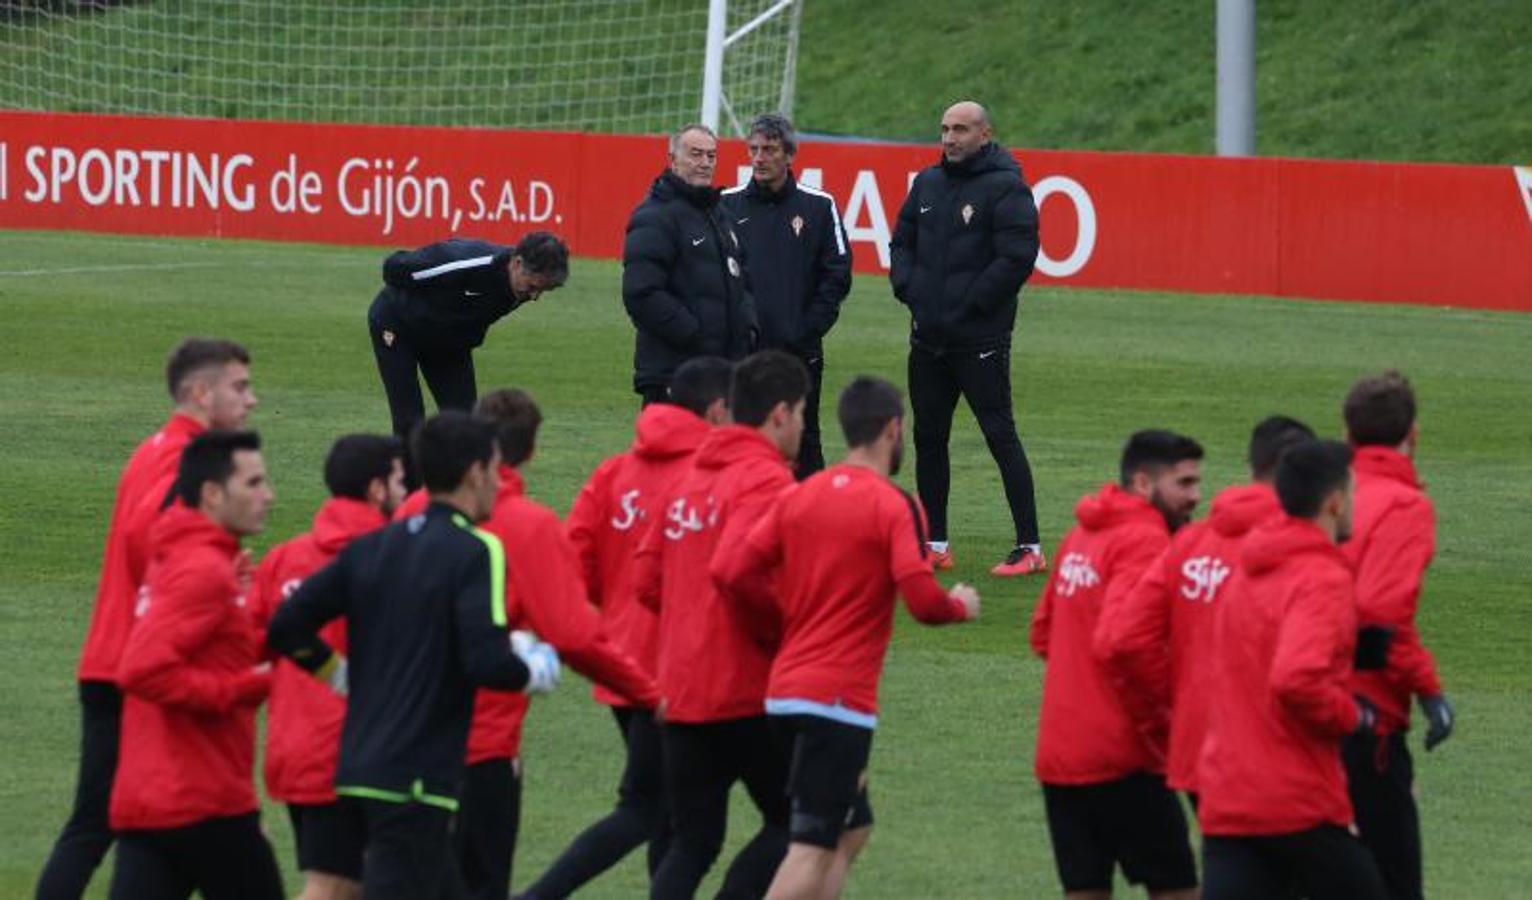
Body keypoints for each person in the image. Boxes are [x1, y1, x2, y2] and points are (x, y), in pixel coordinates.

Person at [267, 411, 560, 900]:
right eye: (493, 470)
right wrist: (533, 669)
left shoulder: (376, 546)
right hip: (415, 778)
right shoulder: (476, 548)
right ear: (474, 474)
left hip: (358, 767)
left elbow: (286, 625)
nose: (498, 483)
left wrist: (339, 676)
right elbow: (485, 661)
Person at [713, 375, 981, 900]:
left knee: (850, 829)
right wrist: (959, 606)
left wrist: (783, 619)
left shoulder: (803, 492)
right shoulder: (894, 504)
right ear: (893, 429)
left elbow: (734, 569)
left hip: (786, 692)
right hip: (836, 702)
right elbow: (923, 602)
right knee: (810, 844)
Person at [412, 390, 659, 900]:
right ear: (526, 452)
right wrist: (649, 693)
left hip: (401, 738)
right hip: (481, 746)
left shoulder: (411, 513)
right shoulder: (528, 526)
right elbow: (574, 636)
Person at [39, 337, 256, 900]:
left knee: (117, 828)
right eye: (240, 387)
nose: (251, 401)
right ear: (201, 393)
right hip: (136, 667)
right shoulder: (183, 461)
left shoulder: (155, 448)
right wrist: (208, 565)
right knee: (115, 827)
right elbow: (150, 536)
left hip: (117, 656)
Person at [519, 357, 734, 900]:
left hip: (619, 660)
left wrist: (617, 615)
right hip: (674, 673)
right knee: (648, 809)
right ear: (715, 409)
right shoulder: (710, 479)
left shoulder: (615, 471)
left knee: (667, 811)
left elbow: (577, 568)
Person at [638, 350, 808, 899]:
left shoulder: (688, 480)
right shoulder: (768, 484)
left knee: (692, 843)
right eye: (803, 413)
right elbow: (739, 575)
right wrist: (777, 627)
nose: (804, 427)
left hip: (681, 687)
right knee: (799, 824)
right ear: (779, 414)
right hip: (744, 688)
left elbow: (645, 582)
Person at [1197, 440, 1387, 900]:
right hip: (1294, 800)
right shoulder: (1321, 577)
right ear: (1334, 501)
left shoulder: (1247, 570)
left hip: (1228, 793)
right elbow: (1296, 678)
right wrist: (1354, 717)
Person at [1096, 416, 1314, 802]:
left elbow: (1122, 638)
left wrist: (1177, 704)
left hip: (1195, 747)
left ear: (1252, 469)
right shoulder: (1302, 552)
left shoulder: (1190, 541)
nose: (1196, 495)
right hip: (1271, 755)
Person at [107, 430, 284, 900]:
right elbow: (141, 668)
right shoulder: (202, 571)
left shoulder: (181, 558)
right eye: (254, 484)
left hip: (149, 798)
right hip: (203, 797)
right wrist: (241, 688)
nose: (269, 496)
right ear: (211, 493)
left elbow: (200, 643)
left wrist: (243, 613)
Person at [1030, 430, 1203, 900]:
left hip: (1060, 755)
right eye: (1184, 484)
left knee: (1085, 889)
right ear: (1144, 483)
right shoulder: (1147, 542)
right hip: (1124, 755)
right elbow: (1125, 644)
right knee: (1178, 889)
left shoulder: (1082, 533)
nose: (1196, 497)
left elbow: (1043, 634)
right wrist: (1164, 721)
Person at [246, 434, 406, 900]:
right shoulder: (394, 558)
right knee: (333, 886)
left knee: (348, 885)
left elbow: (253, 647)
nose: (405, 487)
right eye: (399, 478)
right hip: (360, 753)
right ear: (377, 489)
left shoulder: (284, 559)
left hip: (298, 750)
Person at [889, 100, 1043, 576]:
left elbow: (1016, 257)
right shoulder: (928, 184)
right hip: (928, 338)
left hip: (979, 337)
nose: (950, 138)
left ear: (985, 134)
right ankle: (935, 543)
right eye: (944, 129)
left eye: (960, 129)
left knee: (1000, 434)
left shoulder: (1006, 187)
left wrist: (971, 305)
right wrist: (908, 289)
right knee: (929, 437)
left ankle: (1029, 547)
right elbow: (902, 241)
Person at [1341, 371, 1455, 900]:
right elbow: (1381, 615)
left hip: (1293, 707)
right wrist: (1429, 691)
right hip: (1367, 716)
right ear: (1414, 433)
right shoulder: (1405, 506)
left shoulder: (1320, 487)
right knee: (1394, 880)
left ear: (1348, 432)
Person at [368, 231, 569, 471]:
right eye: (534, 286)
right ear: (517, 264)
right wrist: (419, 310)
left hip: (449, 343)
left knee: (468, 427)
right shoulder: (467, 261)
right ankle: (407, 501)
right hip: (398, 328)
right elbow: (394, 267)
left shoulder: (521, 287)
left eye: (542, 291)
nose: (534, 296)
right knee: (410, 422)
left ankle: (455, 495)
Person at [720, 113, 852, 477]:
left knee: (804, 441)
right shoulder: (726, 205)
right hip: (743, 353)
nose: (760, 158)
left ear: (790, 155)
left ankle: (811, 523)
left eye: (770, 149)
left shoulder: (819, 206)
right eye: (754, 149)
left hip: (799, 353)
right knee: (741, 439)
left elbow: (837, 275)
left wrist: (805, 331)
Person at [623, 123, 758, 405]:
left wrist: (748, 327)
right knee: (674, 450)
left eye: (711, 156)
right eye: (696, 154)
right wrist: (695, 335)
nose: (705, 163)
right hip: (674, 375)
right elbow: (641, 293)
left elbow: (743, 279)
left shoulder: (720, 214)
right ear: (673, 160)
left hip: (724, 373)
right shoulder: (654, 216)